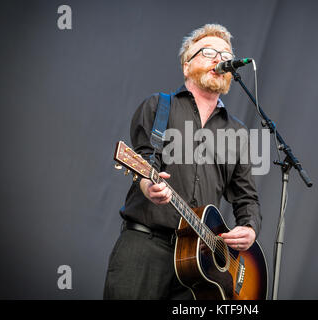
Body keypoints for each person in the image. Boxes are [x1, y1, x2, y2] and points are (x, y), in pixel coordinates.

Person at [104, 24, 262, 300]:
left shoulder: (237, 133)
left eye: (225, 54)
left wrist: (249, 228)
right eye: (209, 52)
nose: (219, 59)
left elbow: (246, 197)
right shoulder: (158, 106)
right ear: (187, 65)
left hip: (202, 265)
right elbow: (143, 160)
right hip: (146, 246)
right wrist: (146, 185)